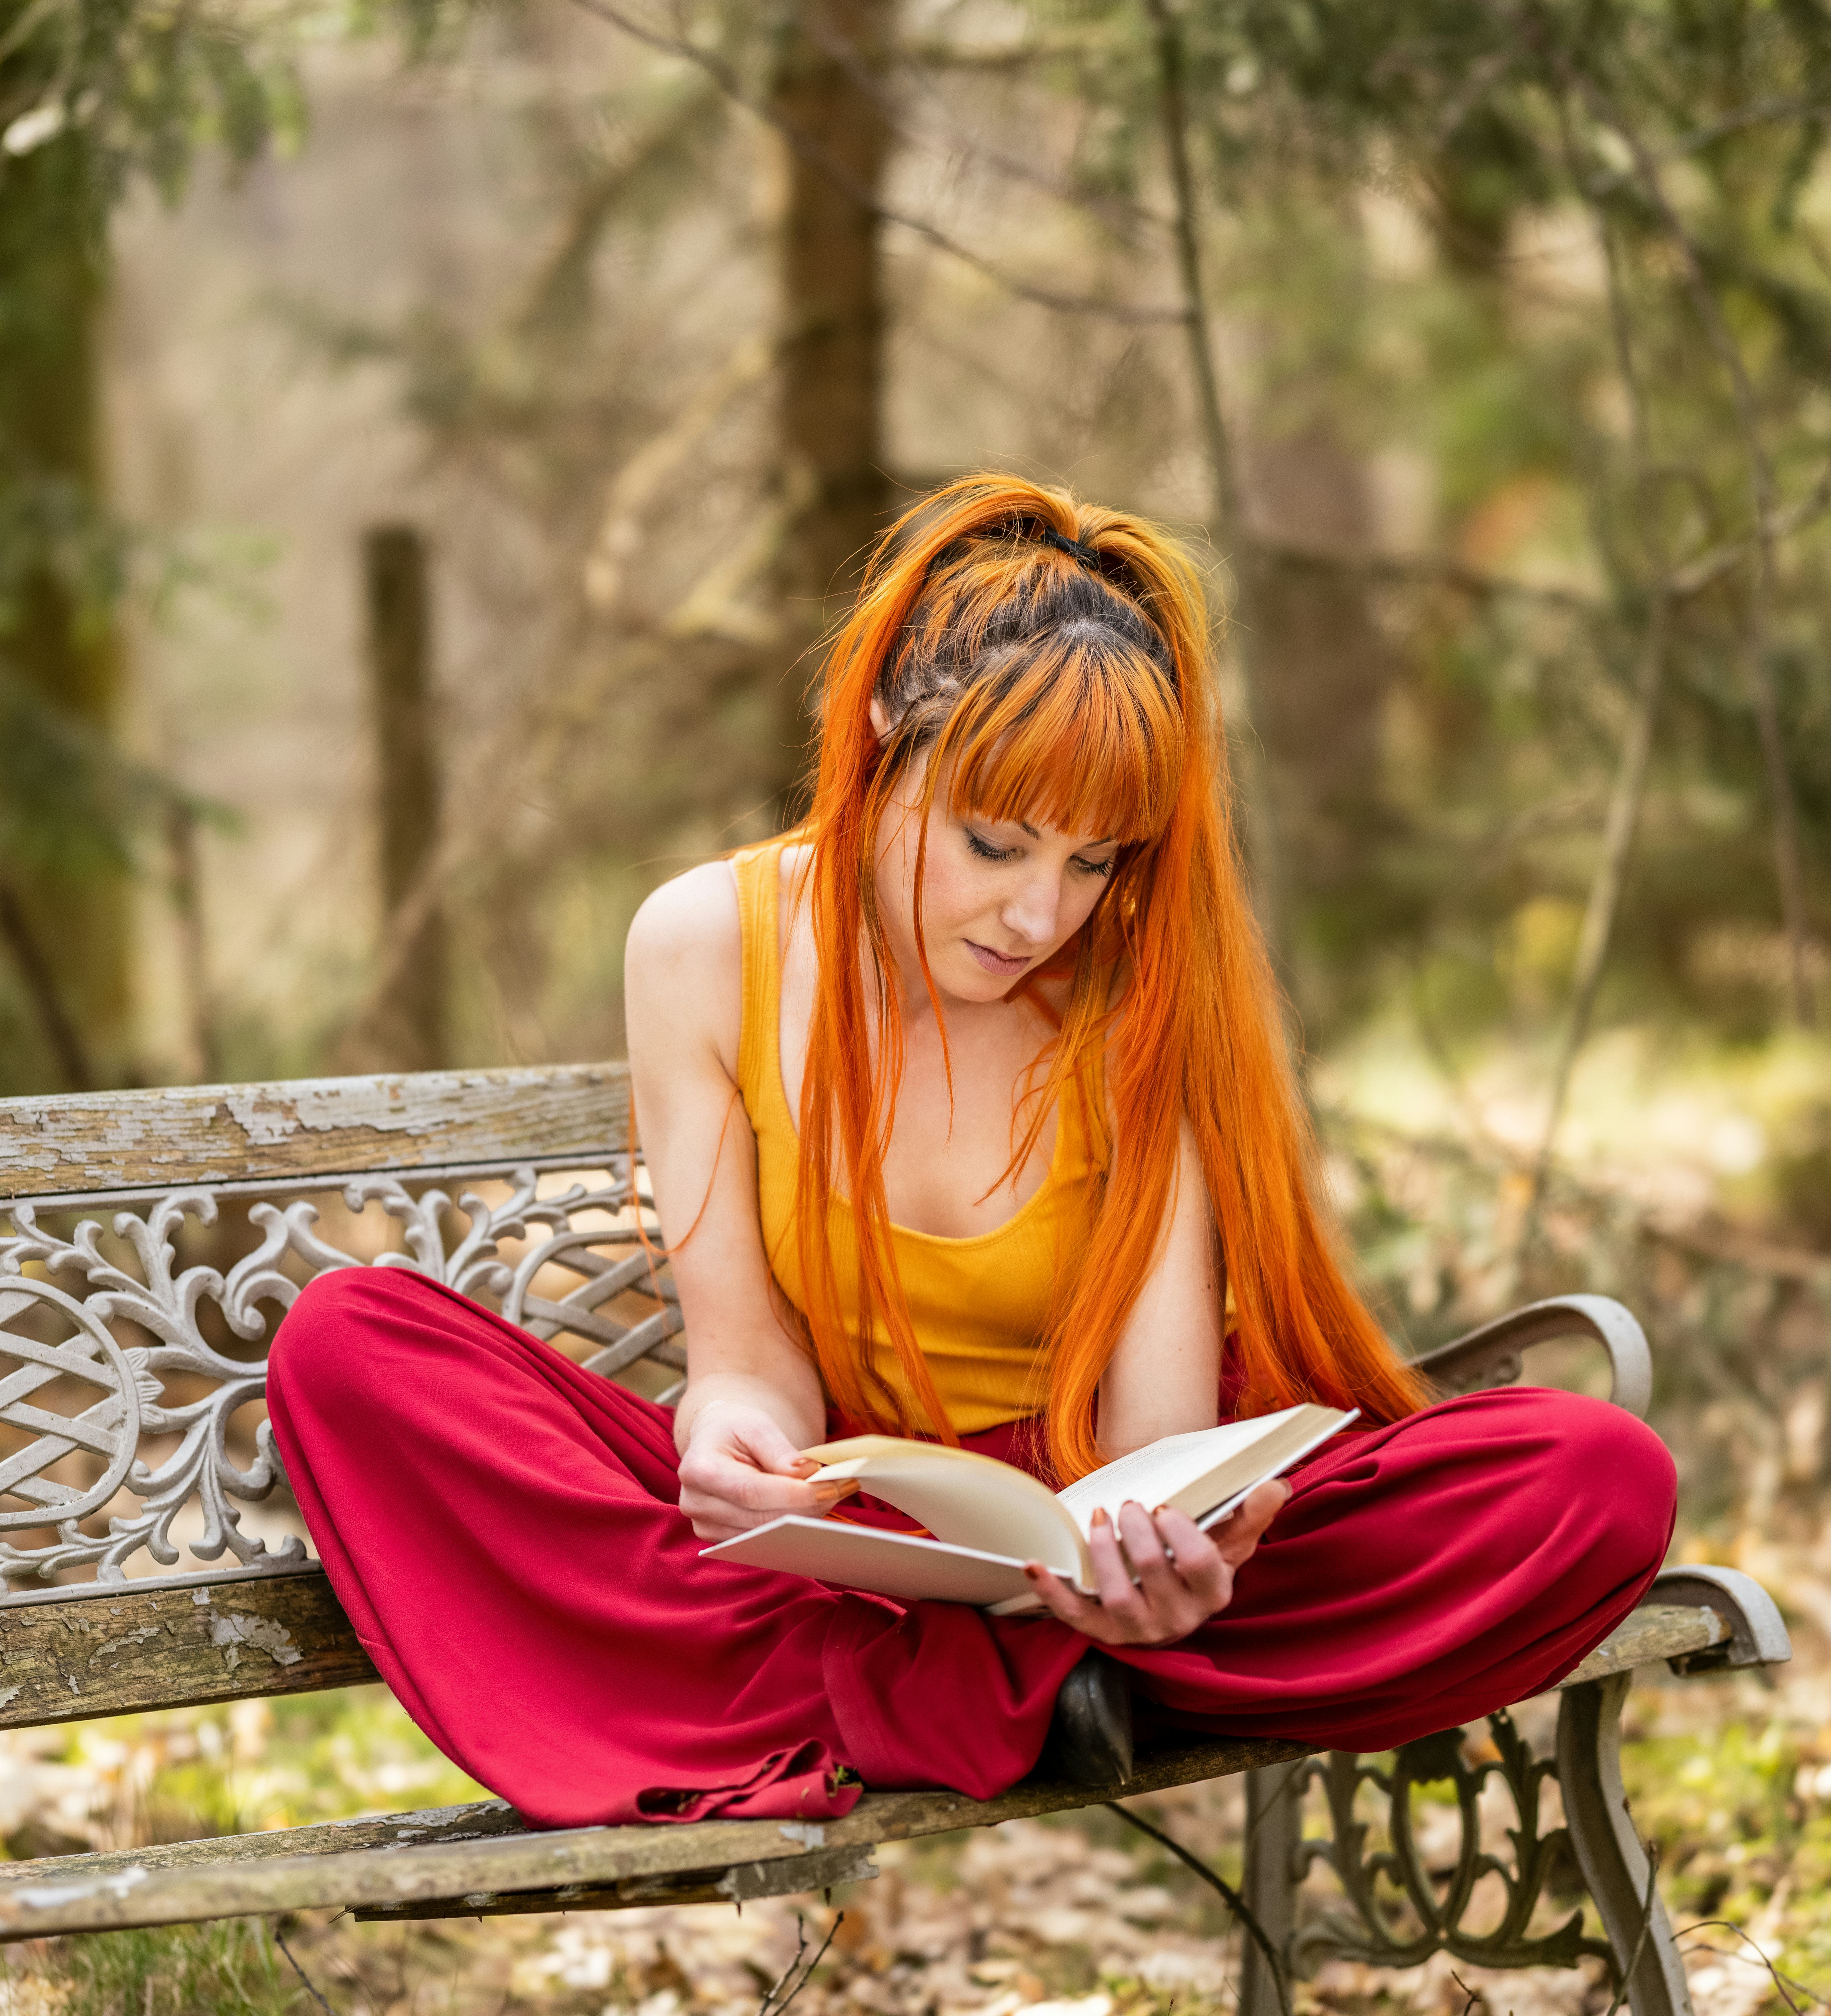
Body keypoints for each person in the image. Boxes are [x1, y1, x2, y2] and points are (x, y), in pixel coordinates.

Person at [266, 474, 1676, 1830]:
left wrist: (1152, 1567)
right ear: (888, 728)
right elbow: (748, 1361)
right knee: (349, 1341)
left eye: (1093, 861)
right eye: (996, 842)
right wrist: (729, 1440)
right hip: (858, 1546)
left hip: (1074, 1523)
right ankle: (1023, 1684)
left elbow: (1156, 1448)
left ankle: (1013, 1673)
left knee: (1592, 1476)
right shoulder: (703, 944)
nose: (1038, 913)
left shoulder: (1132, 995)